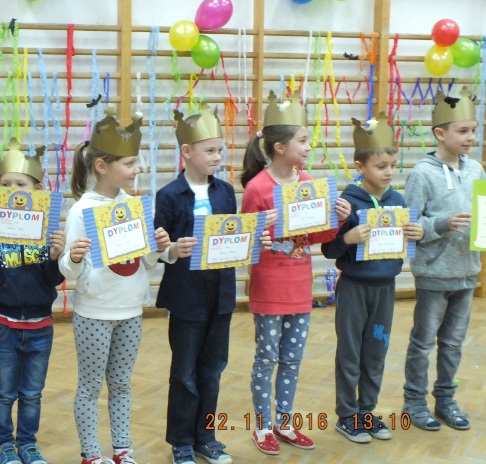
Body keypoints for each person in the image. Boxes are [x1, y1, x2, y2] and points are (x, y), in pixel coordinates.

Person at [240, 91, 350, 455]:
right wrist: (259, 230)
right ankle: (262, 426)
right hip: (269, 287)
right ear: (279, 147)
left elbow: (318, 236)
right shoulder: (257, 188)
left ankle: (284, 422)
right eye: (302, 140)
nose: (308, 146)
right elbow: (245, 244)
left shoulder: (309, 182)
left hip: (300, 286)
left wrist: (338, 219)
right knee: (266, 358)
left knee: (292, 358)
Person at [59, 109, 171, 464]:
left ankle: (122, 449)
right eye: (129, 162)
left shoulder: (135, 206)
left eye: (137, 162)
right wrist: (74, 257)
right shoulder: (81, 211)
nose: (137, 169)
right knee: (91, 386)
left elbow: (147, 261)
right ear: (102, 166)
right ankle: (91, 455)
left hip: (130, 311)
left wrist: (160, 246)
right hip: (94, 313)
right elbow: (68, 270)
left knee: (122, 383)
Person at [321, 114, 424, 443]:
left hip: (385, 290)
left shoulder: (398, 201)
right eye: (381, 166)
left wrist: (415, 234)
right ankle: (347, 415)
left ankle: (367, 410)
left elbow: (402, 245)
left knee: (376, 351)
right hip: (354, 289)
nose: (389, 172)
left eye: (392, 165)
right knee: (350, 353)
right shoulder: (347, 203)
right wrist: (348, 238)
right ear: (360, 167)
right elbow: (329, 249)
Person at [0, 140, 66, 464]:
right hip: (4, 326)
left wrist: (55, 256)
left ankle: (27, 443)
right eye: (6, 184)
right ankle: (3, 445)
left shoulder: (48, 231)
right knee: (3, 391)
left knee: (32, 393)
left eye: (20, 184)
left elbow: (54, 279)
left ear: (37, 190)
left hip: (40, 327)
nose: (13, 191)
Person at [154, 105, 237, 464]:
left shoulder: (225, 192)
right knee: (185, 372)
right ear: (187, 151)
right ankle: (181, 441)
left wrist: (250, 241)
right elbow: (158, 247)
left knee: (213, 368)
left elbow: (232, 236)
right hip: (187, 295)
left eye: (220, 150)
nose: (217, 157)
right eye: (210, 150)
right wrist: (172, 249)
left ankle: (206, 437)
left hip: (221, 293)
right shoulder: (169, 195)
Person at [402, 87, 485, 431]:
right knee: (423, 343)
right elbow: (409, 225)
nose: (471, 137)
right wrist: (442, 224)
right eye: (463, 131)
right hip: (434, 274)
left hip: (467, 274)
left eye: (473, 130)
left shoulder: (477, 170)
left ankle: (446, 400)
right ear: (440, 133)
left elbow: (481, 217)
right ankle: (414, 402)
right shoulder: (422, 173)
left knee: (452, 344)